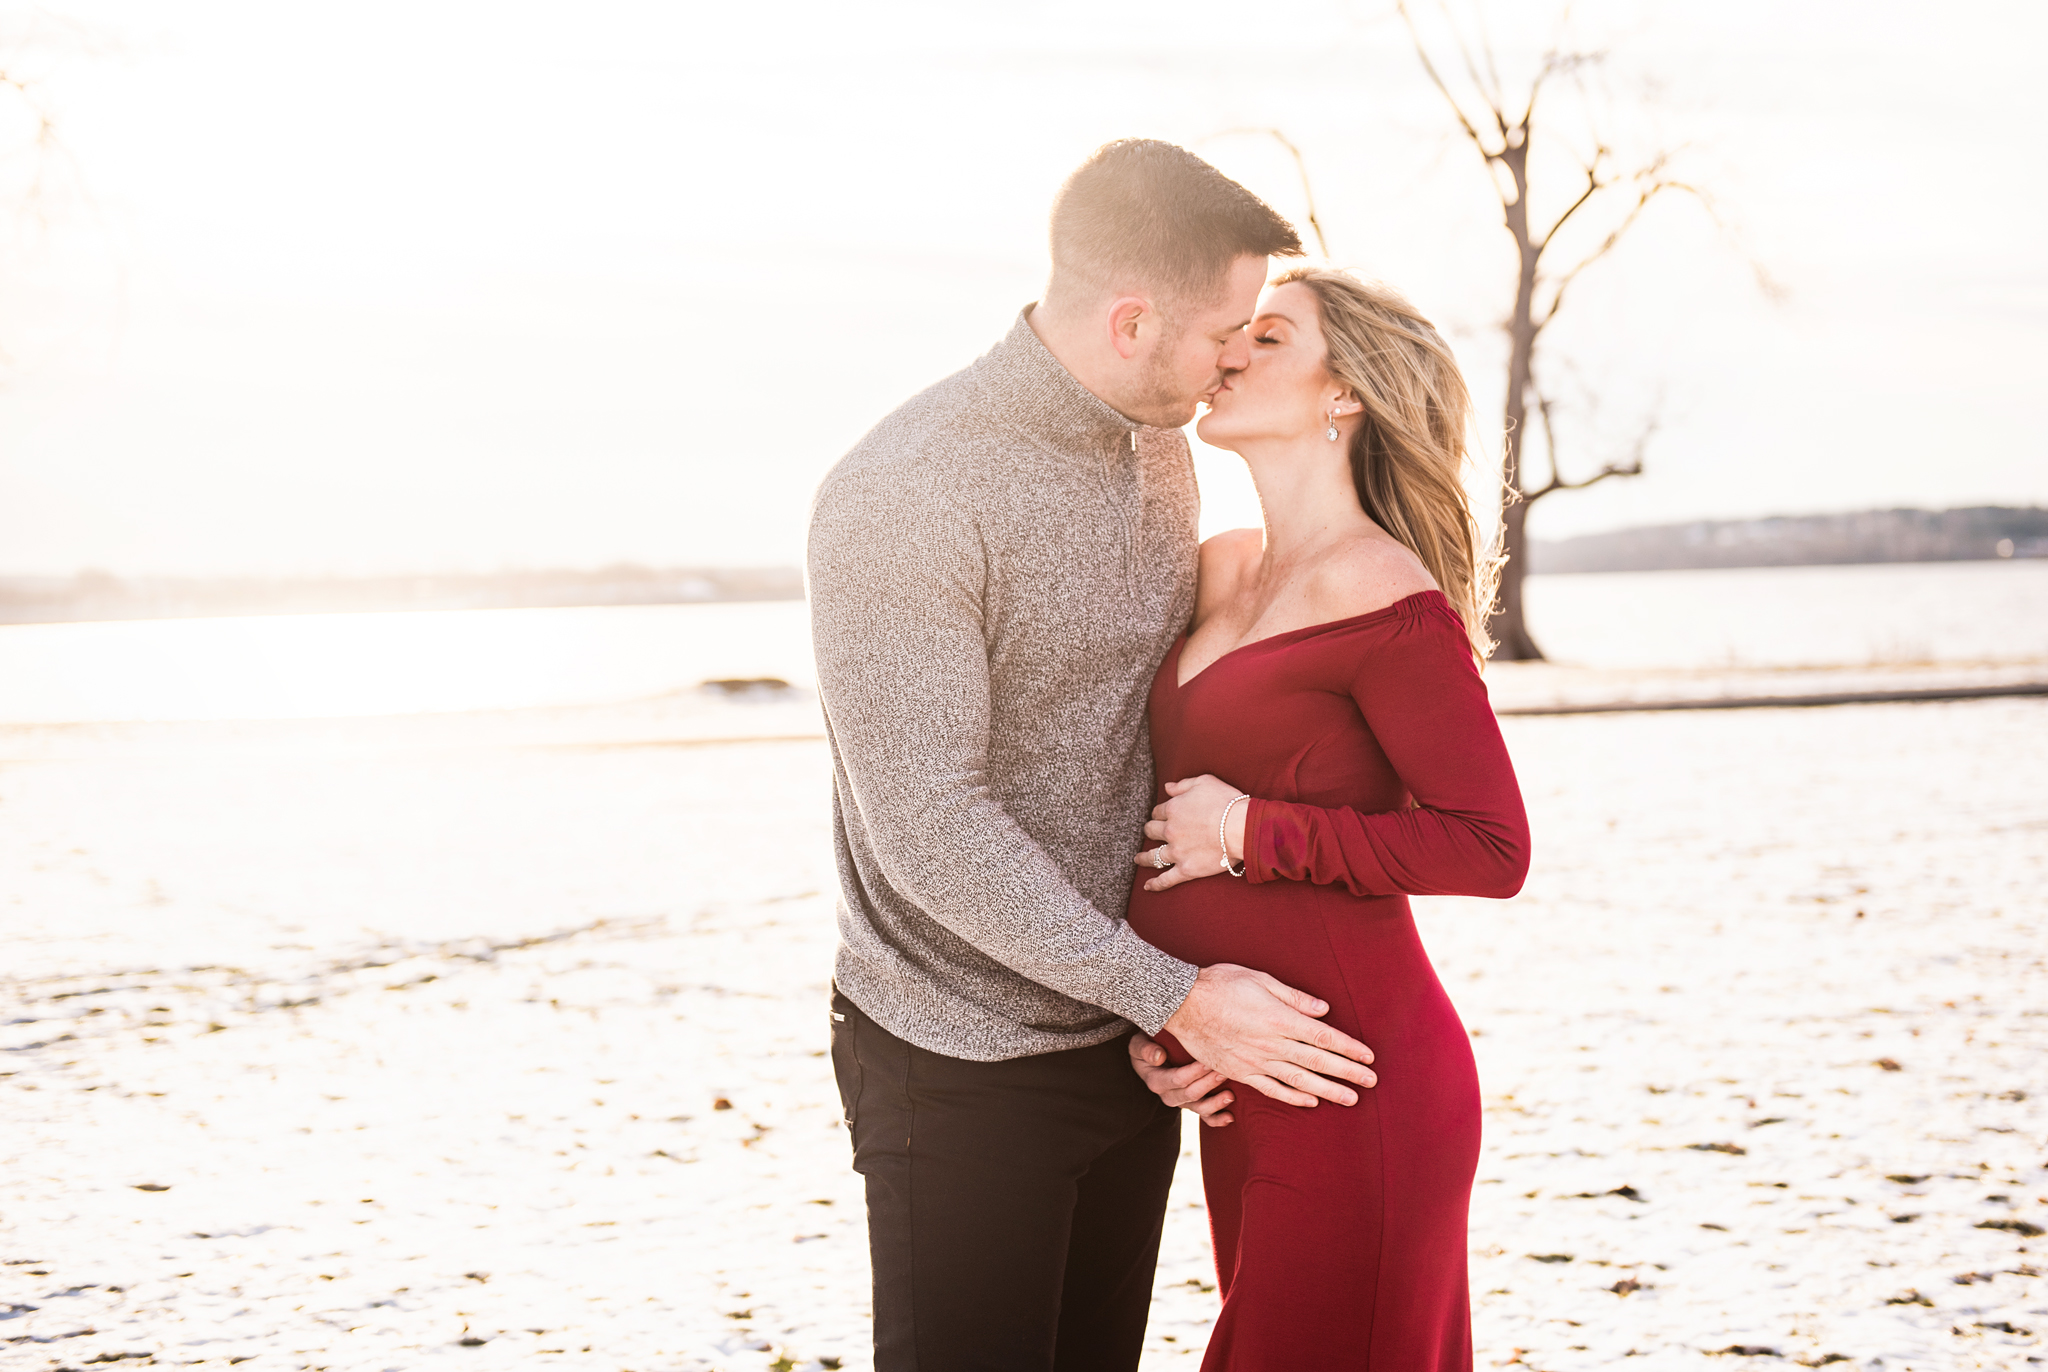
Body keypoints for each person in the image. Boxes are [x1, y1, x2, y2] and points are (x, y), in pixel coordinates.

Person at [805, 142, 1380, 1371]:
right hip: (953, 1054)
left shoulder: (1156, 445)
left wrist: (1150, 1002)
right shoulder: (905, 492)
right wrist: (1169, 992)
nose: (1239, 352)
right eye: (1227, 327)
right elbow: (929, 826)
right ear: (1131, 319)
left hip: (1125, 1045)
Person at [1122, 266, 1532, 1369]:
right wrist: (1162, 1024)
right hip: (1242, 1080)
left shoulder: (1380, 587)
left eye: (1267, 337)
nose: (1230, 354)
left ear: (1340, 391)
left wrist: (1253, 829)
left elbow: (1491, 845)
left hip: (1356, 1080)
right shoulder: (1222, 569)